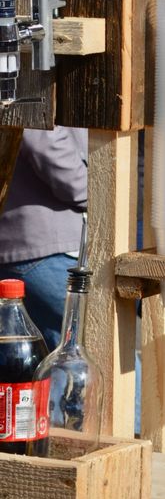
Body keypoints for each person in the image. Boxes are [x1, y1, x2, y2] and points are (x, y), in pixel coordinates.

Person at [0, 127, 87, 351]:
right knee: (96, 351)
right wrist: (93, 190)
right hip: (44, 244)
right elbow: (43, 137)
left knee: (52, 358)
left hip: (35, 241)